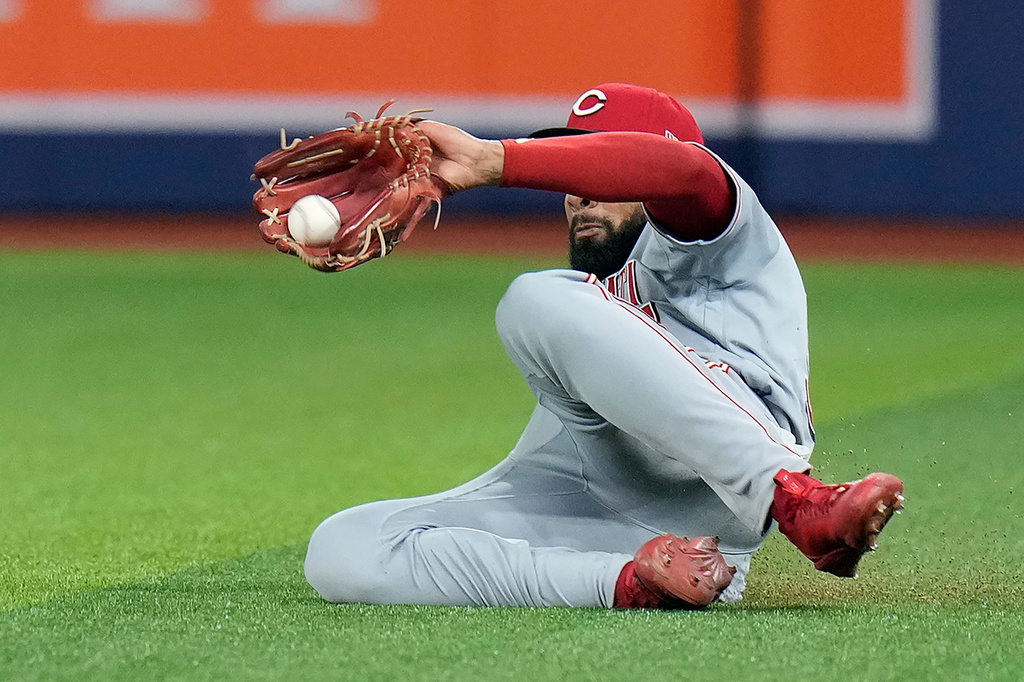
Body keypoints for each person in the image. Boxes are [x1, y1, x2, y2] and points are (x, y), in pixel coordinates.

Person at [302, 83, 905, 609]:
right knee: (343, 548)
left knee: (534, 300)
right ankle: (635, 582)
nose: (578, 192)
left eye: (592, 169)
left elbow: (686, 173)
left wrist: (495, 159)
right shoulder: (599, 293)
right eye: (570, 175)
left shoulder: (724, 241)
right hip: (600, 504)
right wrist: (625, 575)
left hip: (729, 488)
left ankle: (796, 498)